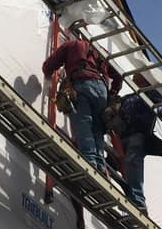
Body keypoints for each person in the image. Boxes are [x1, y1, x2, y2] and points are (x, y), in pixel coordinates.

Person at [42, 27, 121, 176]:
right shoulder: (102, 51)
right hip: (102, 91)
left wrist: (49, 73)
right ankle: (99, 165)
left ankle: (90, 162)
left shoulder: (71, 45)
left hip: (82, 83)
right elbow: (118, 75)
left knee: (83, 123)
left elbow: (49, 66)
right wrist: (113, 93)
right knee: (97, 129)